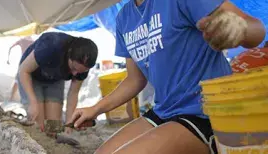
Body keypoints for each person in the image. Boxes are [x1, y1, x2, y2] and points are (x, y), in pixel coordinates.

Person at [68, 0, 265, 154]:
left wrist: (238, 29)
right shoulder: (124, 19)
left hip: (205, 110)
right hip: (164, 110)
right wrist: (94, 109)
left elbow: (257, 29)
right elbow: (134, 80)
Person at [18, 32, 98, 133]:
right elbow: (24, 71)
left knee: (53, 127)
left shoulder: (84, 65)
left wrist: (70, 122)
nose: (74, 74)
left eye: (80, 72)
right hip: (30, 76)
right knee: (40, 126)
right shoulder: (50, 46)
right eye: (73, 68)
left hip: (55, 78)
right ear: (69, 54)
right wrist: (33, 102)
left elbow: (73, 93)